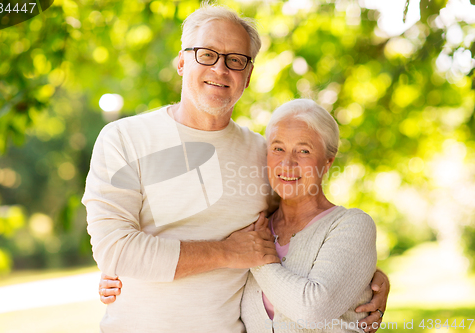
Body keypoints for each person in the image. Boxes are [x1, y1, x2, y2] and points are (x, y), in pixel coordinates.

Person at [84, 4, 389, 333]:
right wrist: (226, 252)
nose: (220, 68)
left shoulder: (263, 154)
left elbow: (299, 228)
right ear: (182, 61)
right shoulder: (124, 138)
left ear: (248, 76)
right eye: (207, 54)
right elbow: (114, 248)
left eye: (235, 59)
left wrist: (367, 280)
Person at [240, 99, 377, 332]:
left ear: (327, 163)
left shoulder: (352, 225)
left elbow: (312, 311)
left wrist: (258, 258)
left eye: (304, 150)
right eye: (278, 148)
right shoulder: (254, 224)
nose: (287, 162)